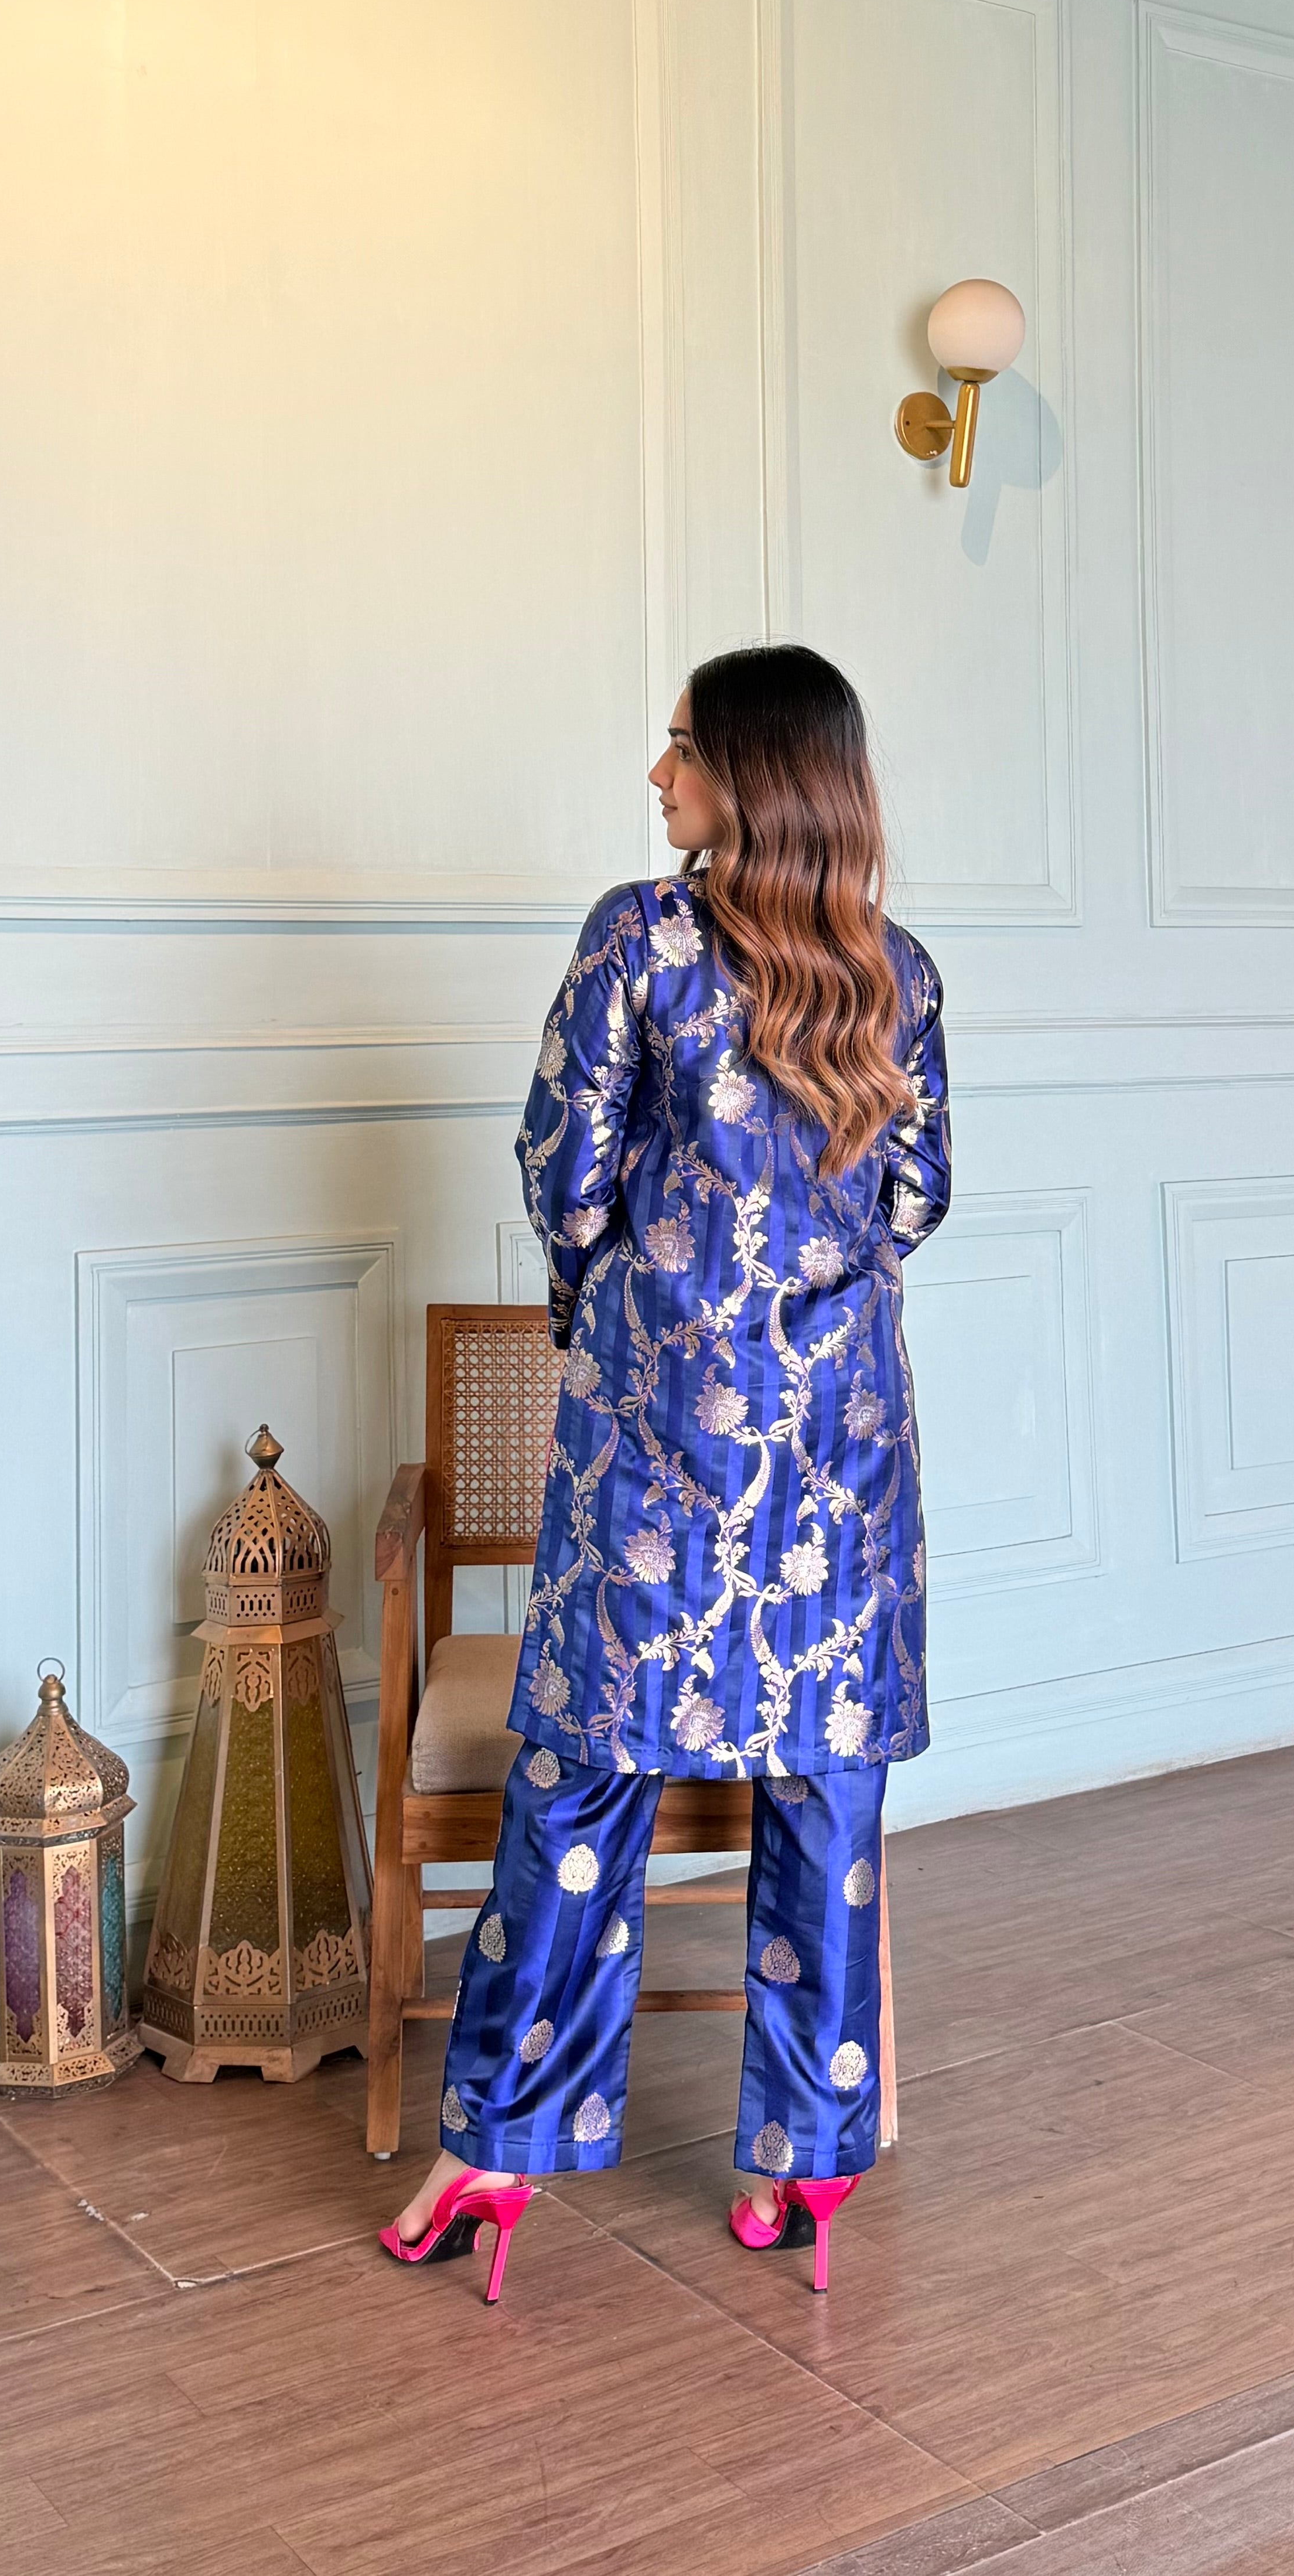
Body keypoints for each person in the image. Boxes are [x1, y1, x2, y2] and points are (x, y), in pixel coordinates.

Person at [378, 642, 950, 2304]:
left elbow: (562, 1173)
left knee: (580, 1782)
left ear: (751, 775)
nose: (657, 775)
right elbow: (915, 1196)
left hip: (658, 1438)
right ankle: (808, 2158)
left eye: (682, 746)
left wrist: (627, 1300)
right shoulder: (898, 970)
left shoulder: (640, 938)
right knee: (826, 1790)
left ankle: (498, 2148)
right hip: (841, 1452)